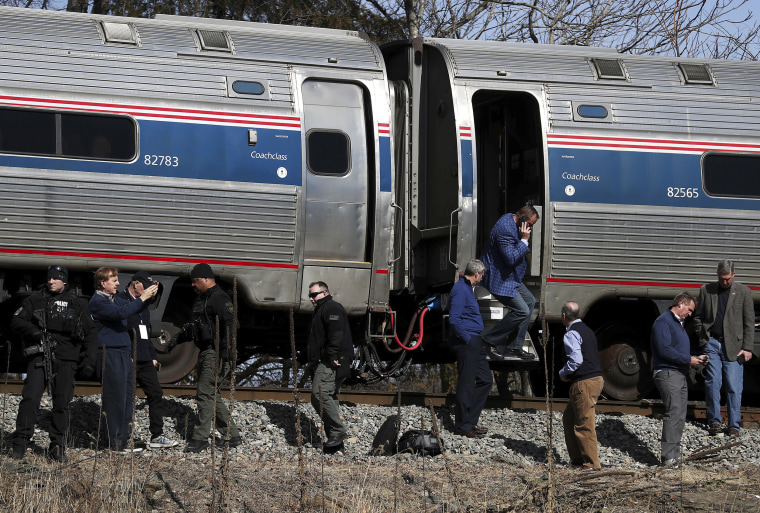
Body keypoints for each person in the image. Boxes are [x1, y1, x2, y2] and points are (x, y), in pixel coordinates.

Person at [10, 265, 99, 462]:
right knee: (30, 399)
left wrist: (89, 361)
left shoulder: (78, 304)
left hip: (67, 360)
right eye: (49, 278)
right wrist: (34, 332)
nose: (51, 281)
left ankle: (57, 446)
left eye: (55, 279)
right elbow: (16, 321)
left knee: (61, 403)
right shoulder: (36, 300)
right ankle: (20, 443)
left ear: (64, 282)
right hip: (40, 356)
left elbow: (91, 334)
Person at [89, 267, 158, 453]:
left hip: (123, 354)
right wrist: (142, 298)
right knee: (115, 399)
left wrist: (147, 298)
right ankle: (115, 442)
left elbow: (130, 311)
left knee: (127, 398)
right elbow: (120, 314)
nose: (118, 283)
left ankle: (123, 440)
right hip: (110, 354)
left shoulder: (114, 300)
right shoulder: (98, 302)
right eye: (114, 280)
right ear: (103, 283)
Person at [692, 259, 754, 437]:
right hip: (712, 343)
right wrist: (703, 338)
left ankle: (734, 425)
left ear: (733, 275)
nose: (724, 282)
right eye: (721, 278)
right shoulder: (706, 290)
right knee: (713, 383)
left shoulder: (743, 292)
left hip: (734, 347)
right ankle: (714, 422)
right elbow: (698, 317)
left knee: (733, 386)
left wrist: (748, 348)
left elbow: (749, 323)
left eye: (727, 279)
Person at [184, 263, 242, 453]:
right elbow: (194, 327)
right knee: (212, 395)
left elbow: (231, 324)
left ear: (207, 279)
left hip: (216, 353)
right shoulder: (203, 299)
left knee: (204, 392)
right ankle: (231, 436)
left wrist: (226, 353)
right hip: (206, 352)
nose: (193, 284)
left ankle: (199, 439)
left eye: (196, 281)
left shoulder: (219, 298)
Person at [116, 271, 177, 449]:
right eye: (145, 285)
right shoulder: (121, 302)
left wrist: (152, 357)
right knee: (126, 398)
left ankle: (157, 435)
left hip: (144, 359)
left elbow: (146, 335)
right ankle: (123, 437)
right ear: (135, 284)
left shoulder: (144, 307)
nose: (149, 290)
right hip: (128, 358)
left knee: (156, 394)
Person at [651, 292, 708, 466]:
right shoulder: (664, 321)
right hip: (668, 372)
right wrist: (689, 359)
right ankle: (668, 458)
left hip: (678, 372)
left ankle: (673, 455)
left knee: (680, 414)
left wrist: (696, 358)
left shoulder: (678, 323)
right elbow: (664, 350)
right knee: (674, 412)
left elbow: (675, 350)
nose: (690, 314)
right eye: (689, 310)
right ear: (681, 303)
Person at [480, 204, 539, 360]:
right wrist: (525, 240)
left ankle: (514, 347)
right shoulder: (505, 230)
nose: (531, 229)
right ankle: (488, 340)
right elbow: (511, 257)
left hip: (511, 277)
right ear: (522, 219)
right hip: (500, 280)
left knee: (530, 302)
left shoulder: (512, 219)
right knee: (522, 311)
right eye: (531, 225)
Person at [307, 281, 354, 449]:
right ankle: (335, 442)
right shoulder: (321, 310)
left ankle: (338, 431)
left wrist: (333, 354)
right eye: (310, 295)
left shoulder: (331, 308)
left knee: (320, 394)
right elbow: (318, 339)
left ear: (325, 293)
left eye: (314, 294)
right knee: (329, 397)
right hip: (326, 359)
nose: (311, 298)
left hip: (332, 360)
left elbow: (337, 332)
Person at [448, 259, 492, 438]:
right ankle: (463, 425)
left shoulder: (467, 289)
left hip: (475, 340)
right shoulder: (460, 289)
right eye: (481, 275)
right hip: (468, 340)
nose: (481, 279)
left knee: (486, 379)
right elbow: (454, 318)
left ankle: (470, 419)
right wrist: (466, 338)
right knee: (466, 383)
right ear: (476, 274)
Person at [559, 301, 603, 471]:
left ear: (564, 316)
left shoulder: (571, 333)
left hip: (584, 382)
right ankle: (577, 460)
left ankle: (592, 465)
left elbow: (576, 360)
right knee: (569, 419)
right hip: (595, 379)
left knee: (584, 424)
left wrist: (563, 373)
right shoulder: (587, 330)